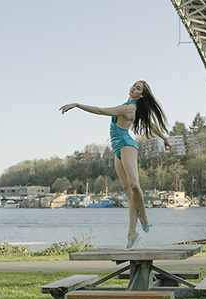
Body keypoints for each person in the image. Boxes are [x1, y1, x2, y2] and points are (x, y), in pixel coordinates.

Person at [60, 80, 172, 249]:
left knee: (135, 186)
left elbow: (99, 111)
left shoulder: (129, 108)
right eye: (134, 85)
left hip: (127, 145)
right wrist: (165, 139)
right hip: (117, 149)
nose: (134, 88)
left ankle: (145, 217)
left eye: (138, 88)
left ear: (141, 95)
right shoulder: (128, 106)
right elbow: (151, 125)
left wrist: (76, 104)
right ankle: (132, 234)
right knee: (128, 193)